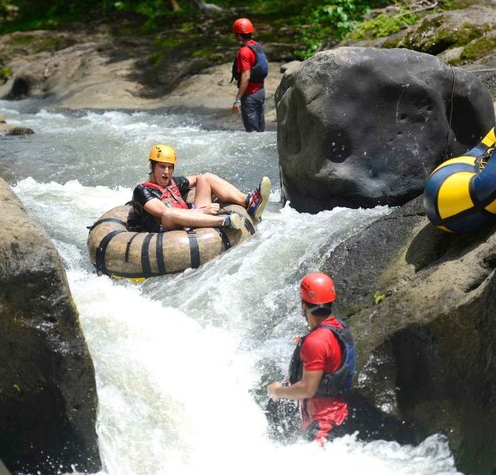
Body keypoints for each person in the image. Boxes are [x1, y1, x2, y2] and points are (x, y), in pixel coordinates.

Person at [267, 272, 356, 445]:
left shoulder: (316, 341)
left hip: (324, 425)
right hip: (334, 419)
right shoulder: (339, 328)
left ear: (304, 306)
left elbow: (308, 389)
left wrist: (278, 391)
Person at [128, 144, 271, 233]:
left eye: (170, 167)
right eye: (162, 166)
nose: (166, 171)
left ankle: (248, 202)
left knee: (205, 177)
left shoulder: (173, 183)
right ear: (152, 166)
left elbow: (197, 178)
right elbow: (163, 212)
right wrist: (199, 211)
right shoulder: (142, 191)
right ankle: (225, 221)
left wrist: (200, 207)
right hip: (168, 228)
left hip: (194, 216)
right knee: (168, 214)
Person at [230, 17, 268, 133]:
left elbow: (246, 76)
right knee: (260, 129)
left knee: (252, 133)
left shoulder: (244, 52)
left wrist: (237, 99)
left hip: (250, 95)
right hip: (261, 92)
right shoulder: (256, 46)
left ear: (239, 36)